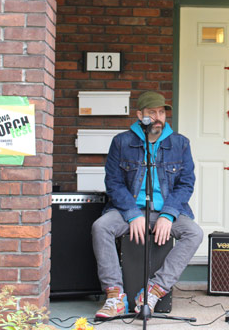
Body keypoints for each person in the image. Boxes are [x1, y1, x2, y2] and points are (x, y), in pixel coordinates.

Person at [92, 91, 203, 319]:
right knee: (101, 227)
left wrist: (168, 215)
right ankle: (115, 296)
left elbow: (186, 184)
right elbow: (113, 183)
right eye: (152, 112)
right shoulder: (122, 142)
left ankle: (154, 291)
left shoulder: (179, 144)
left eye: (161, 112)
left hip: (165, 211)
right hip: (128, 211)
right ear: (139, 115)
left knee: (194, 233)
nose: (158, 117)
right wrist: (133, 214)